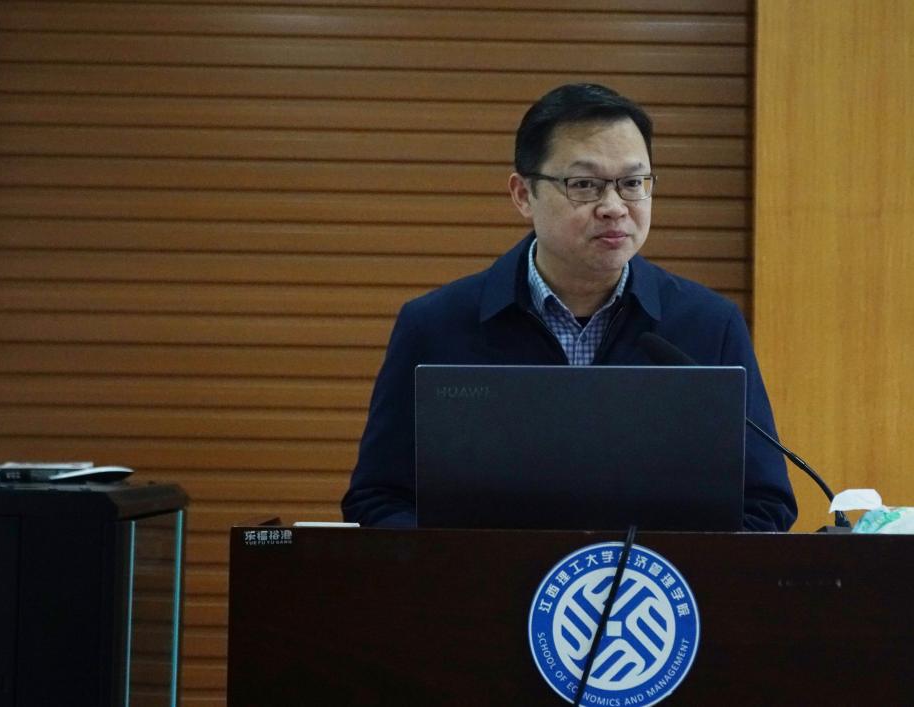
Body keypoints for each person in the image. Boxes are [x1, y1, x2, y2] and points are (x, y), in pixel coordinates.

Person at [342, 83, 797, 531]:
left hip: (654, 582)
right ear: (523, 195)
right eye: (584, 185)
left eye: (632, 183)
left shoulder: (707, 325)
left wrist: (669, 567)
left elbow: (764, 504)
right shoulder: (435, 326)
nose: (614, 207)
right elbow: (379, 498)